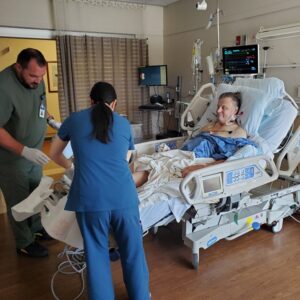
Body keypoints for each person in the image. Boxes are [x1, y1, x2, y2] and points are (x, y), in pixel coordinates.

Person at [49, 82, 150, 300]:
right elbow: (126, 161)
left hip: (90, 200)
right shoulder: (124, 125)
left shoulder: (74, 120)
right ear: (113, 104)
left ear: (91, 101)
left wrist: (72, 167)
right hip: (124, 198)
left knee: (96, 256)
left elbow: (54, 153)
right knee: (133, 252)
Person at [133, 91, 254, 185]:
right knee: (140, 162)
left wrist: (202, 167)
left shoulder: (238, 132)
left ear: (235, 110)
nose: (218, 110)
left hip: (195, 161)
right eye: (218, 106)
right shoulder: (209, 124)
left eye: (224, 108)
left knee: (149, 172)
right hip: (181, 154)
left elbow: (231, 160)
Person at [0, 48, 51, 257]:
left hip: (35, 153)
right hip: (12, 159)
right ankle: (24, 242)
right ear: (18, 67)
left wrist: (47, 117)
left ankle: (36, 229)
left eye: (41, 76)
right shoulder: (4, 87)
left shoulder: (37, 79)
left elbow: (39, 103)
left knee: (36, 193)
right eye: (32, 76)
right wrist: (24, 151)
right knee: (19, 201)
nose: (37, 81)